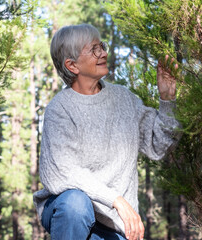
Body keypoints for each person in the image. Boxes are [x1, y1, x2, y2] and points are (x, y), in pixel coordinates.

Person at [33, 23, 181, 240]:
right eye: (94, 49)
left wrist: (167, 100)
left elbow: (159, 145)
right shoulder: (60, 109)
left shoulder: (124, 99)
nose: (103, 52)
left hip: (113, 223)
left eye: (101, 46)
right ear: (72, 65)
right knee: (75, 203)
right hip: (69, 214)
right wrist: (117, 200)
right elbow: (62, 172)